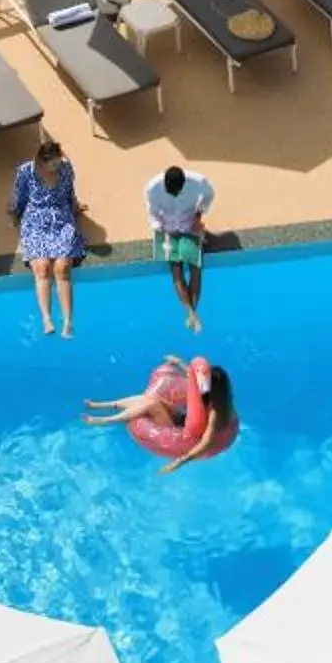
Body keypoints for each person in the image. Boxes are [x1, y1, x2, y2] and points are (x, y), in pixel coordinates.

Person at [86, 361, 238, 476]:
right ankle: (101, 406)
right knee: (154, 400)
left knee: (151, 404)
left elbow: (206, 443)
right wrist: (179, 364)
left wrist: (179, 462)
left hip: (186, 436)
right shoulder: (221, 399)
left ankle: (105, 420)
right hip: (184, 421)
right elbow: (194, 380)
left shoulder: (214, 414)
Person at [8, 135, 87, 337]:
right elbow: (19, 198)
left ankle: (68, 321)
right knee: (42, 268)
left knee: (62, 267)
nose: (55, 166)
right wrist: (15, 215)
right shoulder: (26, 172)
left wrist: (76, 208)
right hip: (36, 221)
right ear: (41, 162)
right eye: (51, 162)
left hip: (61, 219)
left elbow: (70, 193)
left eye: (57, 161)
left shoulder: (66, 169)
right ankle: (47, 318)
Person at [145, 162, 216, 331]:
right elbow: (152, 212)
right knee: (176, 270)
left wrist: (198, 216)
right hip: (167, 227)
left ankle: (192, 313)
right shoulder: (152, 188)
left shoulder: (199, 181)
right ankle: (191, 314)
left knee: (195, 268)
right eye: (172, 193)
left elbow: (210, 195)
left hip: (188, 224)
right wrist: (162, 230)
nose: (175, 195)